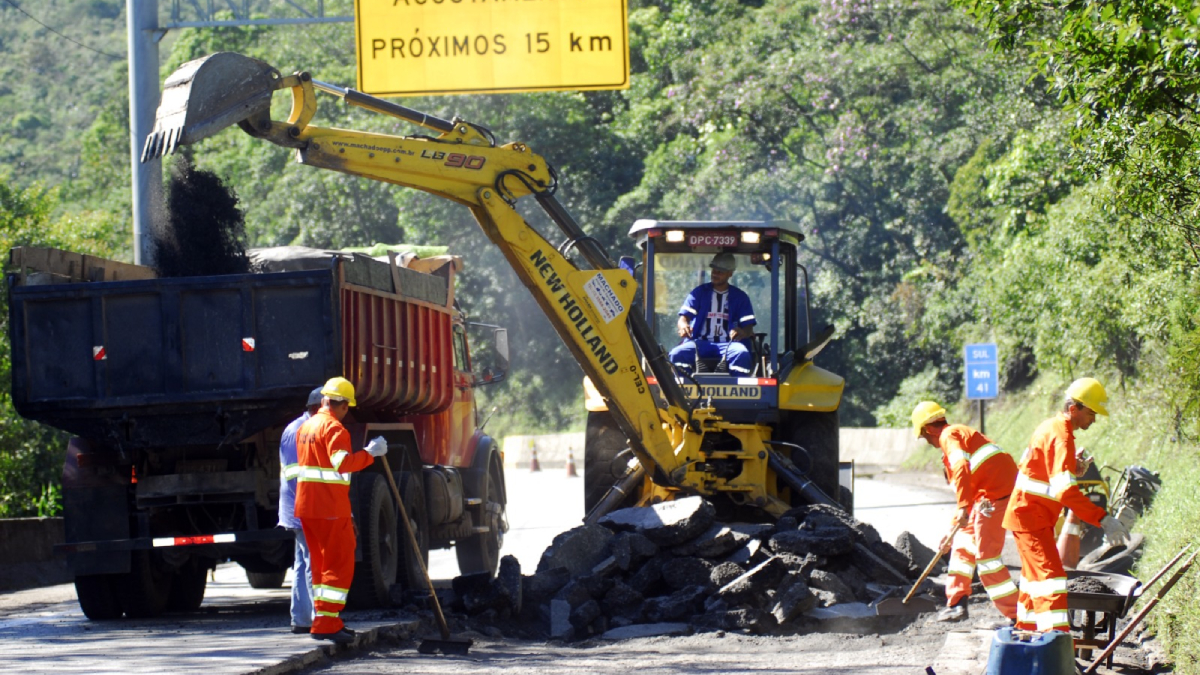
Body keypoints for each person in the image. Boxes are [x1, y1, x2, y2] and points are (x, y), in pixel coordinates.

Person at [1002, 377, 1130, 633]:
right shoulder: (1061, 437)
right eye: (1091, 413)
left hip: (1030, 517)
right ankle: (1056, 644)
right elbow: (1065, 491)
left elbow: (1040, 469)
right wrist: (1102, 518)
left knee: (1032, 582)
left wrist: (1073, 466)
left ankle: (1027, 636)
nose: (1094, 420)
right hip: (1031, 518)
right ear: (1074, 409)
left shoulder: (1052, 428)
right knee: (1051, 580)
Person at [294, 377, 389, 643]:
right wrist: (371, 453)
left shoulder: (306, 427)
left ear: (324, 399)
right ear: (344, 405)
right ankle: (327, 623)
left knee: (320, 565)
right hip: (329, 509)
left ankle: (324, 620)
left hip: (308, 507)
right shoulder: (336, 429)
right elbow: (343, 464)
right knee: (338, 564)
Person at [912, 402, 1019, 623]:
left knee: (987, 560)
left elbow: (961, 466)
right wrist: (952, 529)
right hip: (985, 498)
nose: (927, 442)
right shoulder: (960, 437)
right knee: (961, 544)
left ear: (929, 429)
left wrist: (962, 508)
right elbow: (968, 491)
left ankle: (1018, 615)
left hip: (994, 497)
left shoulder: (949, 435)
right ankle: (956, 604)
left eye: (924, 436)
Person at [278, 387, 324, 634]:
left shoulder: (303, 428)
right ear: (317, 408)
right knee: (312, 562)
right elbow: (296, 475)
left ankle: (302, 619)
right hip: (303, 508)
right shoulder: (299, 430)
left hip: (300, 507)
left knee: (302, 561)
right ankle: (318, 619)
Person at [668, 252, 757, 375]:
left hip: (729, 345)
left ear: (730, 273)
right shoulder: (699, 293)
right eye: (714, 270)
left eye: (720, 271)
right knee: (676, 354)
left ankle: (736, 387)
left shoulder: (740, 297)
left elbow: (748, 327)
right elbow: (683, 318)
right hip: (700, 343)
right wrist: (683, 326)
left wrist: (742, 332)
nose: (715, 273)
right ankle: (683, 387)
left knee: (742, 354)